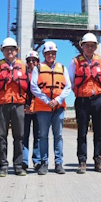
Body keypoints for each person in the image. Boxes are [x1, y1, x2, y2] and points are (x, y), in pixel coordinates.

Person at [0, 37, 31, 177]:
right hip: (2, 105)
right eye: (7, 50)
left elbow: (29, 87)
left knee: (19, 136)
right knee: (2, 137)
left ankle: (18, 165)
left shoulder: (23, 66)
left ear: (16, 51)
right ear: (3, 51)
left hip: (19, 105)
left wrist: (28, 104)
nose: (10, 52)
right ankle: (3, 166)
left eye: (12, 49)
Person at [68, 32, 101, 174]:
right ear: (82, 46)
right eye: (87, 46)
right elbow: (71, 81)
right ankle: (82, 161)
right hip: (82, 100)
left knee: (99, 131)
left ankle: (98, 160)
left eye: (92, 46)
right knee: (82, 132)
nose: (90, 48)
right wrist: (81, 93)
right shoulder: (75, 62)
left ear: (96, 47)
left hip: (98, 99)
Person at [30, 41, 72, 175]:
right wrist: (47, 101)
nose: (51, 56)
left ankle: (59, 163)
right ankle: (44, 163)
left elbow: (68, 87)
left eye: (53, 53)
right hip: (43, 108)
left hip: (58, 107)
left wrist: (57, 100)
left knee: (58, 136)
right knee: (43, 136)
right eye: (48, 53)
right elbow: (33, 87)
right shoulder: (38, 68)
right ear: (44, 54)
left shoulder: (63, 68)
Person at [23, 50, 41, 171]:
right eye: (29, 61)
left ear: (38, 62)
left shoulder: (42, 74)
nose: (31, 63)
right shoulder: (22, 75)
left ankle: (37, 161)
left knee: (38, 135)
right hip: (25, 109)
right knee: (24, 136)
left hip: (38, 108)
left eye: (34, 60)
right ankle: (24, 161)